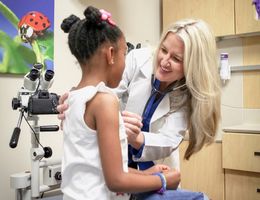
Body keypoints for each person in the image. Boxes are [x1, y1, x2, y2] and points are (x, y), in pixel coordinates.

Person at [58, 13, 220, 200]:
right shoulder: (130, 68)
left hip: (140, 169)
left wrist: (137, 140)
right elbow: (103, 89)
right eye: (163, 50)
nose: (165, 61)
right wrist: (163, 180)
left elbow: (168, 140)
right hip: (120, 175)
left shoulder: (186, 95)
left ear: (192, 66)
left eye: (176, 59)